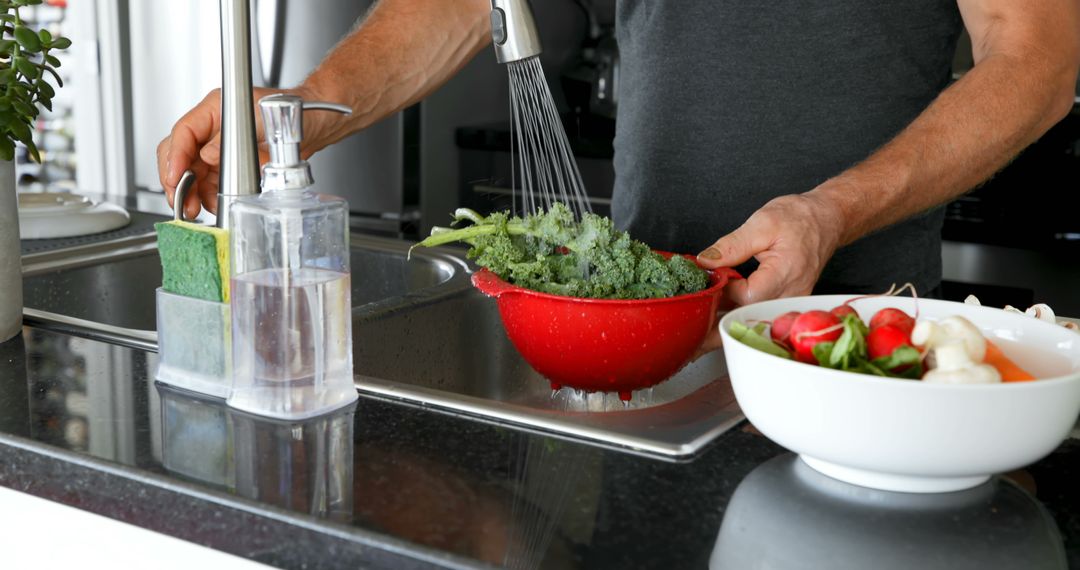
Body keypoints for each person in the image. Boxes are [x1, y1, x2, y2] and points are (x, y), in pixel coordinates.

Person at [158, 0, 1079, 308]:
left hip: (840, 335)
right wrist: (302, 112)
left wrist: (831, 208)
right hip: (641, 322)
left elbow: (1038, 55)